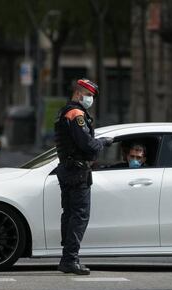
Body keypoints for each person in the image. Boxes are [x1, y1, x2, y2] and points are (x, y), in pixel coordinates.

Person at [54, 78, 113, 275]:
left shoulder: (65, 112)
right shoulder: (76, 114)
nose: (91, 100)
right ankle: (70, 259)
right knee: (79, 216)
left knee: (70, 214)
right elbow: (87, 145)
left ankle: (67, 258)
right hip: (77, 172)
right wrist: (103, 142)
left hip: (68, 169)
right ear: (79, 94)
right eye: (89, 96)